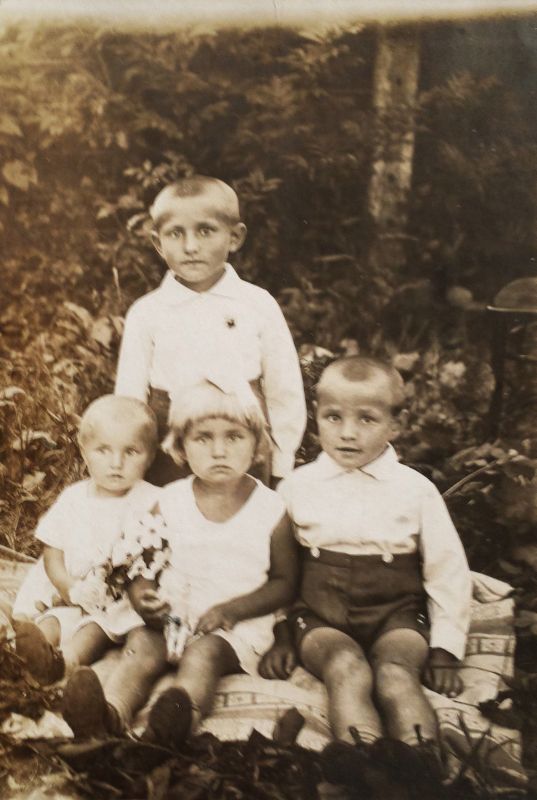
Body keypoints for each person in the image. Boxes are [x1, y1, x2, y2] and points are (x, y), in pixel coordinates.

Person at [61, 378, 299, 744]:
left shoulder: (270, 508)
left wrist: (232, 610)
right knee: (141, 646)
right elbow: (140, 562)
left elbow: (285, 582)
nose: (219, 451)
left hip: (232, 626)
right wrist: (143, 597)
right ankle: (109, 714)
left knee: (204, 655)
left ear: (257, 445)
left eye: (234, 437)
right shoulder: (170, 500)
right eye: (203, 438)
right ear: (181, 447)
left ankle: (174, 725)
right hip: (171, 616)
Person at [259, 356, 472, 750]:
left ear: (396, 424)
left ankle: (419, 761)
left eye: (367, 419)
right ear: (316, 415)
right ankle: (360, 761)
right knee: (346, 669)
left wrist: (445, 649)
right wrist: (281, 635)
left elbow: (447, 571)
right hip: (320, 618)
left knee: (395, 675)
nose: (348, 433)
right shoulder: (296, 488)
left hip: (396, 615)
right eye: (333, 417)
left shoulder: (415, 490)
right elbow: (274, 570)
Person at [115, 174, 306, 487]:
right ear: (158, 243)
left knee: (244, 513)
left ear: (235, 237)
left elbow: (284, 390)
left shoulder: (257, 304)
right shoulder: (147, 312)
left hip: (243, 438)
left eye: (205, 231)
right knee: (171, 514)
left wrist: (282, 463)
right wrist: (131, 458)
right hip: (169, 446)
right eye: (175, 233)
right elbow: (129, 400)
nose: (191, 247)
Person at [11, 395, 160, 685]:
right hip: (70, 588)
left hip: (116, 600)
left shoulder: (154, 500)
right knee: (52, 620)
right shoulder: (74, 498)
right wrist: (69, 588)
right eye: (103, 450)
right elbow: (52, 553)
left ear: (151, 455)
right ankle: (33, 655)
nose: (116, 463)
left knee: (94, 630)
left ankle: (64, 663)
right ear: (84, 451)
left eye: (131, 452)